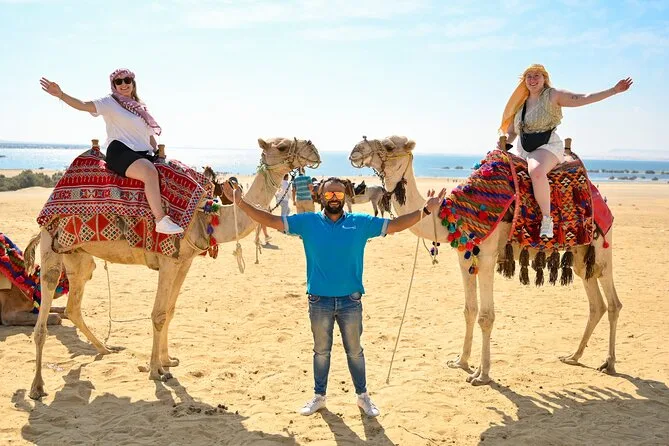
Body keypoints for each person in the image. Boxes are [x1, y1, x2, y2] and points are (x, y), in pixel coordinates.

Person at [223, 177, 446, 417]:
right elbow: (271, 220)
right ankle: (319, 397)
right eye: (329, 194)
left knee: (355, 352)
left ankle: (362, 396)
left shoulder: (360, 222)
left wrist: (425, 210)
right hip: (319, 300)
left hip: (351, 301)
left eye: (339, 194)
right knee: (321, 352)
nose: (334, 198)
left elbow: (395, 225)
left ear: (345, 196)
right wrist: (241, 203)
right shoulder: (307, 222)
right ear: (320, 197)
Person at [39, 69, 183, 234]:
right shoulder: (110, 102)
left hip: (142, 154)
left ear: (133, 83)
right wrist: (61, 94)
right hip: (120, 151)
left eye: (127, 80)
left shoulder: (139, 107)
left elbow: (147, 134)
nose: (123, 84)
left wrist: (156, 151)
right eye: (118, 81)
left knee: (170, 171)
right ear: (114, 85)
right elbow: (83, 105)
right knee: (149, 172)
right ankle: (160, 220)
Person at [498, 64, 632, 238]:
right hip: (523, 151)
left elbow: (582, 98)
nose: (532, 79)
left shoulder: (552, 95)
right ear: (524, 81)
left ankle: (547, 220)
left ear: (545, 78)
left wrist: (613, 90)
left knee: (536, 171)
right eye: (529, 76)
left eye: (537, 75)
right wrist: (503, 143)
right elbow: (512, 132)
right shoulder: (520, 104)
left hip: (546, 147)